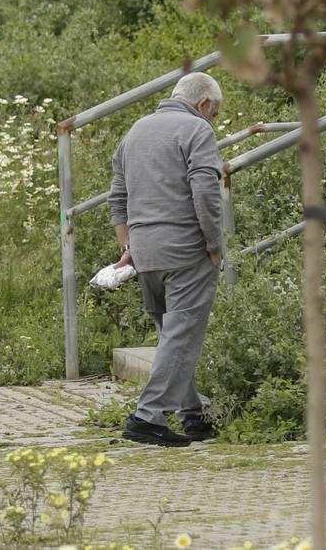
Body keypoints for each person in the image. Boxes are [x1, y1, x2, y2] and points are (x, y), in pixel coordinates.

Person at [109, 71, 226, 446]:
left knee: (171, 337)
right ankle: (147, 417)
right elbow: (206, 189)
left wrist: (128, 246)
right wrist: (213, 242)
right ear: (204, 103)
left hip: (145, 253)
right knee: (181, 337)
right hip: (185, 249)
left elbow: (117, 196)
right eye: (215, 113)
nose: (213, 121)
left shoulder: (135, 132)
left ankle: (193, 415)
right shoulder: (197, 131)